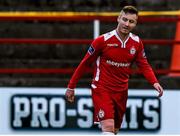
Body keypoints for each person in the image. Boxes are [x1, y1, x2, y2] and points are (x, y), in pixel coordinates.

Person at [65, 5, 163, 135]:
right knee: (108, 128)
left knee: (114, 131)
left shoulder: (137, 42)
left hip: (121, 91)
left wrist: (154, 82)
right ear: (118, 19)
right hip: (102, 88)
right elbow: (85, 63)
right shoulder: (102, 40)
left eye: (131, 21)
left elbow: (144, 65)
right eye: (124, 19)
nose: (127, 24)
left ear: (135, 24)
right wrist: (71, 86)